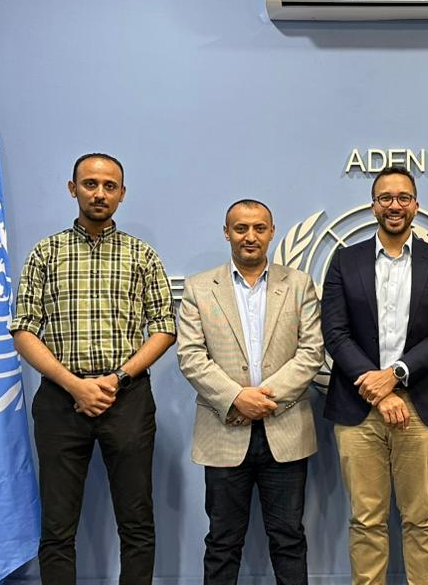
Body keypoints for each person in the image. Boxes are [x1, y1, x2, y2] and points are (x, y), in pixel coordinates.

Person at [9, 152, 177, 585]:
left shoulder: (142, 255)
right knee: (57, 527)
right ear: (73, 189)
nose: (99, 193)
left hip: (128, 400)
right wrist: (74, 385)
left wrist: (117, 379)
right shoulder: (46, 253)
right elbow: (23, 329)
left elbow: (164, 328)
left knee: (137, 522)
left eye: (109, 186)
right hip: (60, 400)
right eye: (90, 184)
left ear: (122, 194)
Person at [321, 166, 428, 584]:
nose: (394, 205)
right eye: (385, 198)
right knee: (366, 521)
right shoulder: (344, 261)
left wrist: (397, 374)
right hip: (358, 407)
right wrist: (379, 390)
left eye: (403, 197)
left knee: (422, 519)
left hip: (422, 406)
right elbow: (335, 332)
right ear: (373, 206)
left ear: (416, 206)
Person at [176, 199, 324, 584]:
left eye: (259, 228)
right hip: (224, 430)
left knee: (289, 539)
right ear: (227, 233)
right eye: (241, 228)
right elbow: (191, 356)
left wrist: (264, 398)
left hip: (286, 431)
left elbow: (312, 352)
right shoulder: (199, 288)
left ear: (271, 232)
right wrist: (237, 398)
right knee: (222, 542)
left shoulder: (298, 284)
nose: (250, 236)